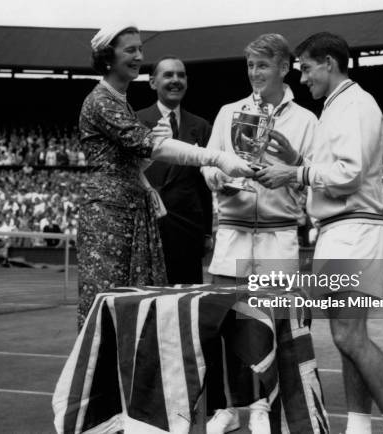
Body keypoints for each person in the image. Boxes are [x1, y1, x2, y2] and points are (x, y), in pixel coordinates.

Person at [255, 32, 383, 434]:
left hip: (352, 228)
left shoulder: (355, 105)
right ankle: (359, 424)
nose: (303, 78)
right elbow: (338, 169)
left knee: (349, 335)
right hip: (341, 228)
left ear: (328, 62)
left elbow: (348, 174)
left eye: (307, 68)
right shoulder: (339, 105)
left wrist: (296, 172)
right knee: (347, 336)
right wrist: (298, 160)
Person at [75, 23, 252, 326]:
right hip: (110, 215)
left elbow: (130, 162)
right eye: (130, 49)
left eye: (139, 49)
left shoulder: (120, 101)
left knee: (134, 306)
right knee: (111, 308)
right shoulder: (102, 101)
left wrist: (145, 158)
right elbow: (151, 146)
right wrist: (217, 157)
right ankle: (100, 374)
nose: (137, 56)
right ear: (107, 56)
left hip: (132, 213)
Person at [201, 33, 317, 434]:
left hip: (277, 233)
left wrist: (289, 172)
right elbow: (209, 165)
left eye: (262, 65)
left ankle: (265, 410)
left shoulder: (305, 121)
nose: (254, 73)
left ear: (284, 68)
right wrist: (222, 176)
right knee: (227, 326)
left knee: (274, 326)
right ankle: (230, 408)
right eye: (250, 65)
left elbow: (315, 180)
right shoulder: (228, 112)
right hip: (232, 233)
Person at [138, 56, 213, 284]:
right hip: (148, 228)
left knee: (186, 304)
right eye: (168, 75)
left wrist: (207, 231)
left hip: (188, 233)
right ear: (152, 82)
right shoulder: (135, 122)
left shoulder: (200, 127)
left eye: (180, 75)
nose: (175, 80)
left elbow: (205, 185)